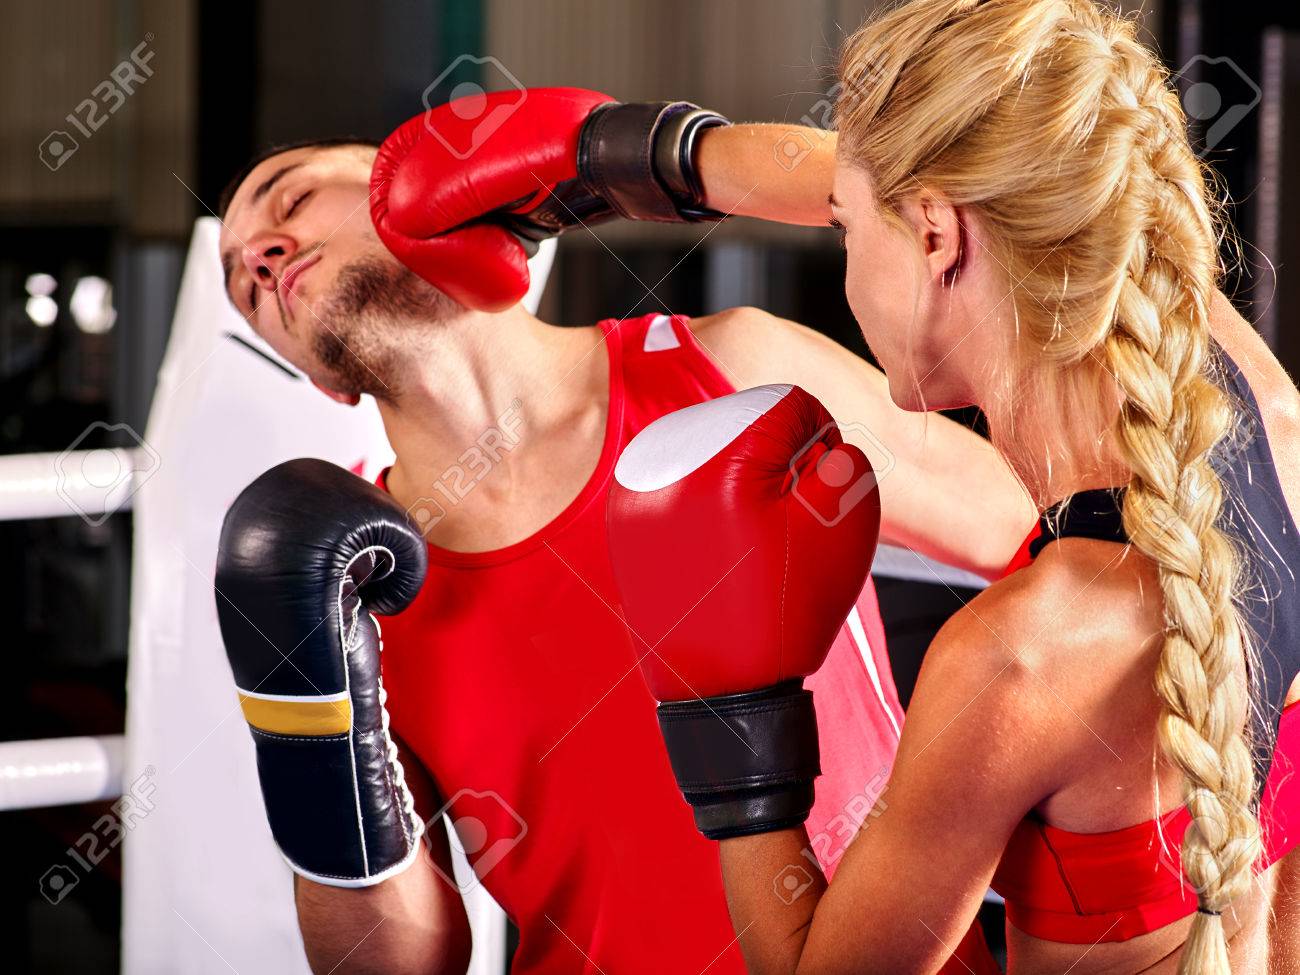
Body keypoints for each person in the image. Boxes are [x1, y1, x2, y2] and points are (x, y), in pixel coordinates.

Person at [210, 90, 1031, 973]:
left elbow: (1030, 532)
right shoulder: (355, 590)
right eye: (242, 286)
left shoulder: (732, 369)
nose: (260, 259)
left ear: (427, 187)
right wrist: (313, 747)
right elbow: (399, 966)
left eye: (291, 200)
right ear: (324, 383)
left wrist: (635, 152)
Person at [606, 1, 1300, 973]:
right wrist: (631, 155)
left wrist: (726, 702)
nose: (846, 264)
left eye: (848, 229)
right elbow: (1057, 168)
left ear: (935, 236)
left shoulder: (1019, 653)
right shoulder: (1265, 416)